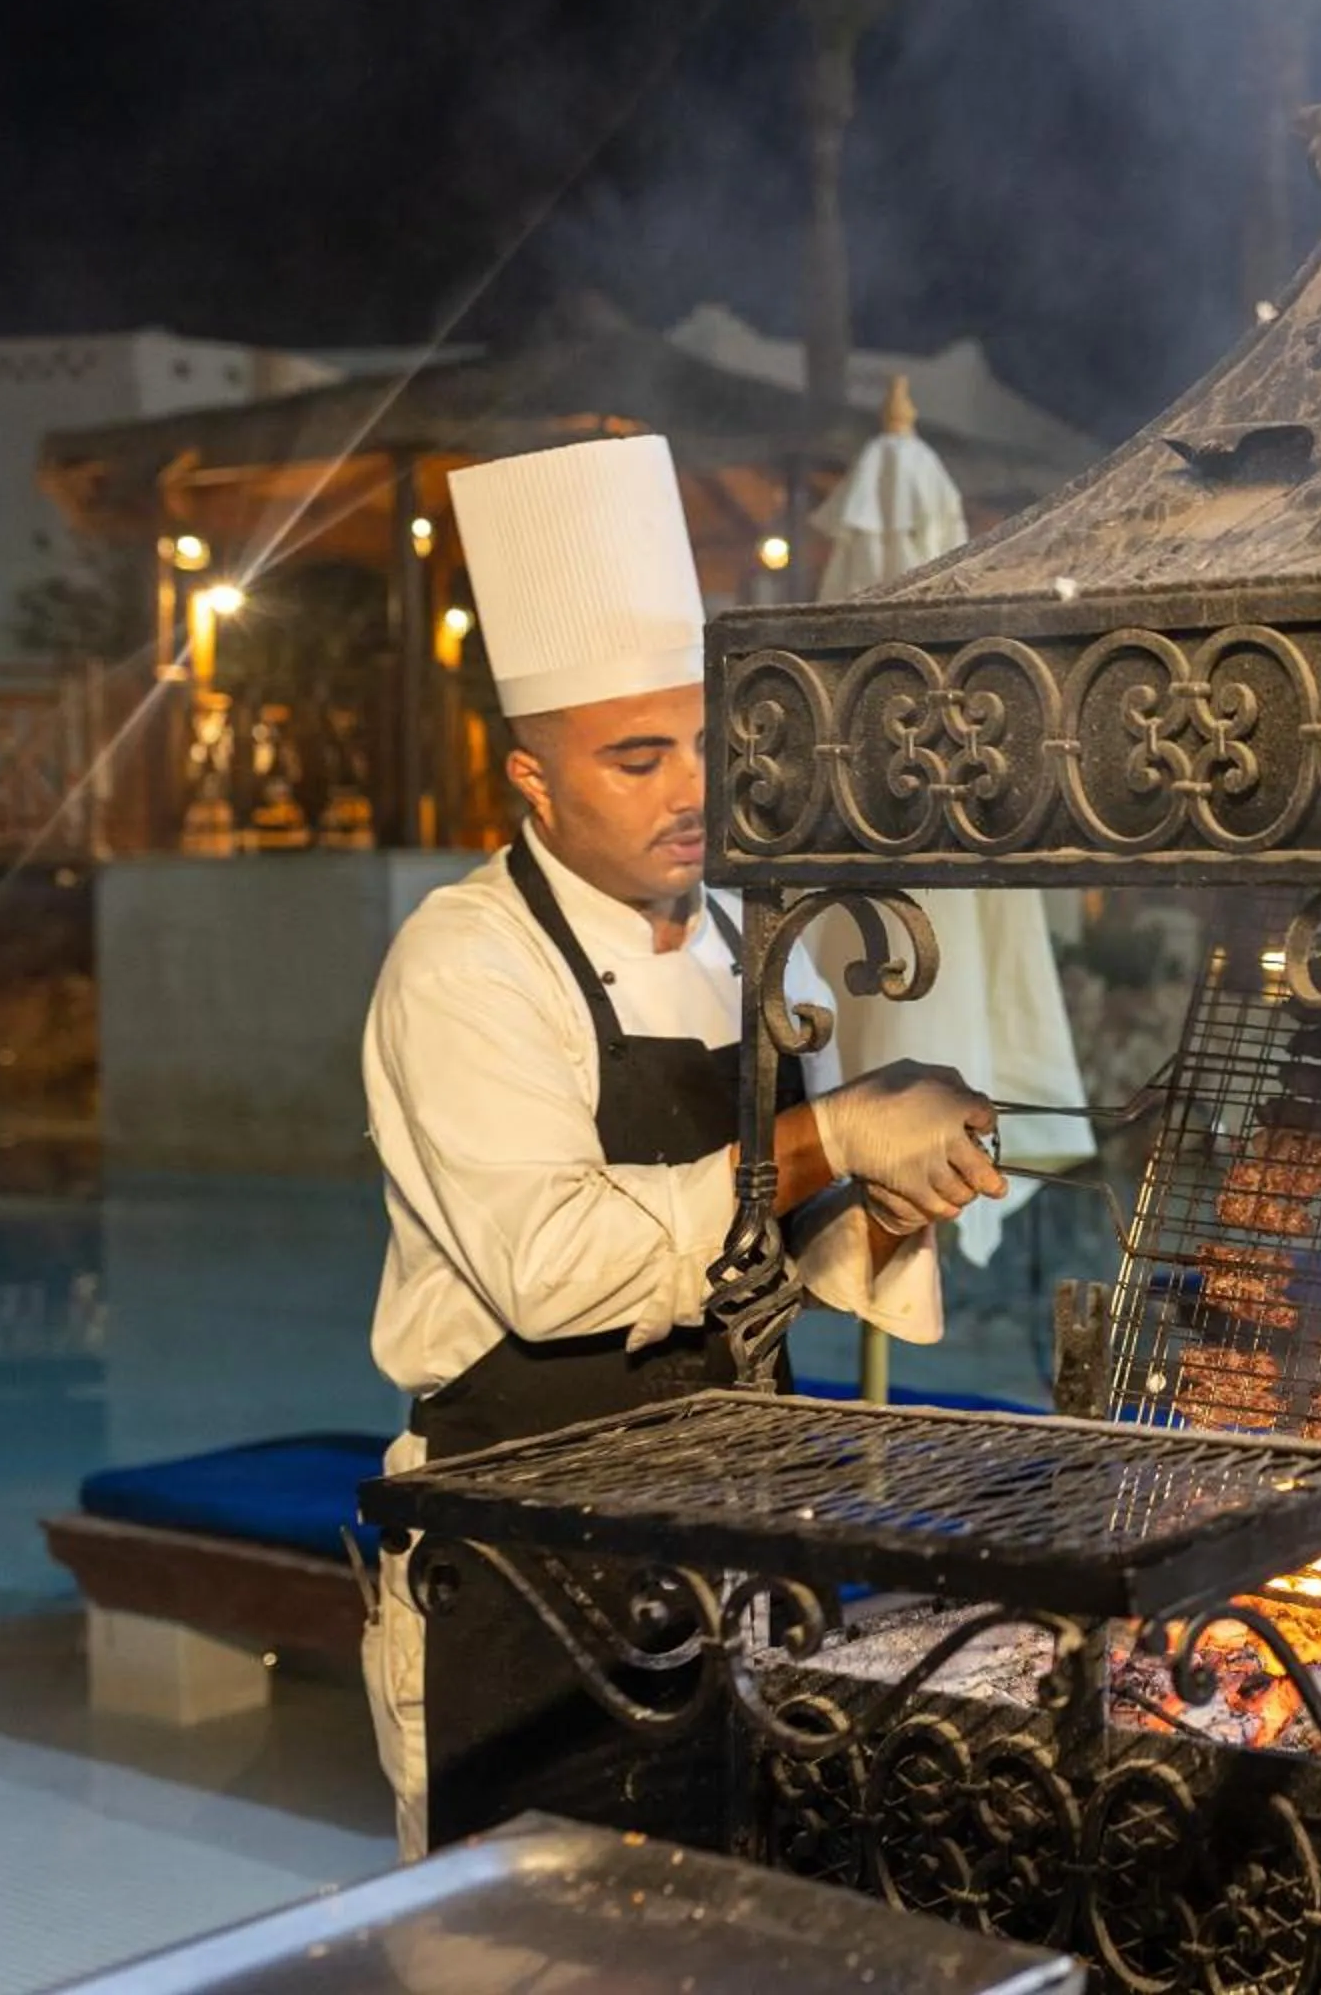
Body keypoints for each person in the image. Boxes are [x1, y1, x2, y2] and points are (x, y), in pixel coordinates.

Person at [358, 436, 1007, 1858]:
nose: (691, 788)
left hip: (734, 1543)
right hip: (528, 1571)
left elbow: (792, 1248)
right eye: (636, 758)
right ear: (531, 778)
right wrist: (829, 1126)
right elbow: (555, 1270)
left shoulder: (739, 940)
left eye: (709, 741)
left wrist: (895, 1188)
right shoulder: (468, 965)